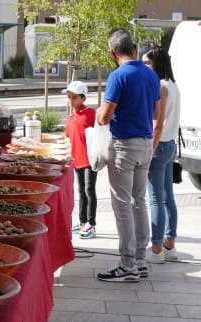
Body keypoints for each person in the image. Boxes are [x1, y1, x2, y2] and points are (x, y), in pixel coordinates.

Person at [96, 28, 160, 282]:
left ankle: (127, 264)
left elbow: (103, 117)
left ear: (113, 53)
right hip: (146, 144)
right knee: (139, 201)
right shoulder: (151, 75)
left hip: (124, 146)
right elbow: (155, 113)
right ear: (134, 48)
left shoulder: (118, 76)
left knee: (122, 204)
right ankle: (141, 261)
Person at [142, 47, 181, 264]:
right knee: (167, 197)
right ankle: (169, 244)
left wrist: (150, 149)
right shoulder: (174, 85)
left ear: (157, 63)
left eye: (147, 63)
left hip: (159, 147)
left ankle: (156, 248)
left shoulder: (161, 86)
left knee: (156, 198)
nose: (144, 67)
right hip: (170, 146)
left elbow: (158, 124)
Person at [63, 81, 98, 239]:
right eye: (69, 97)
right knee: (81, 192)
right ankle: (82, 221)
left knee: (89, 191)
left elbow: (100, 134)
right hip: (77, 160)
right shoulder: (70, 118)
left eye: (74, 97)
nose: (71, 100)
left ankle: (91, 224)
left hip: (90, 160)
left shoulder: (91, 114)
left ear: (83, 98)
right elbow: (68, 139)